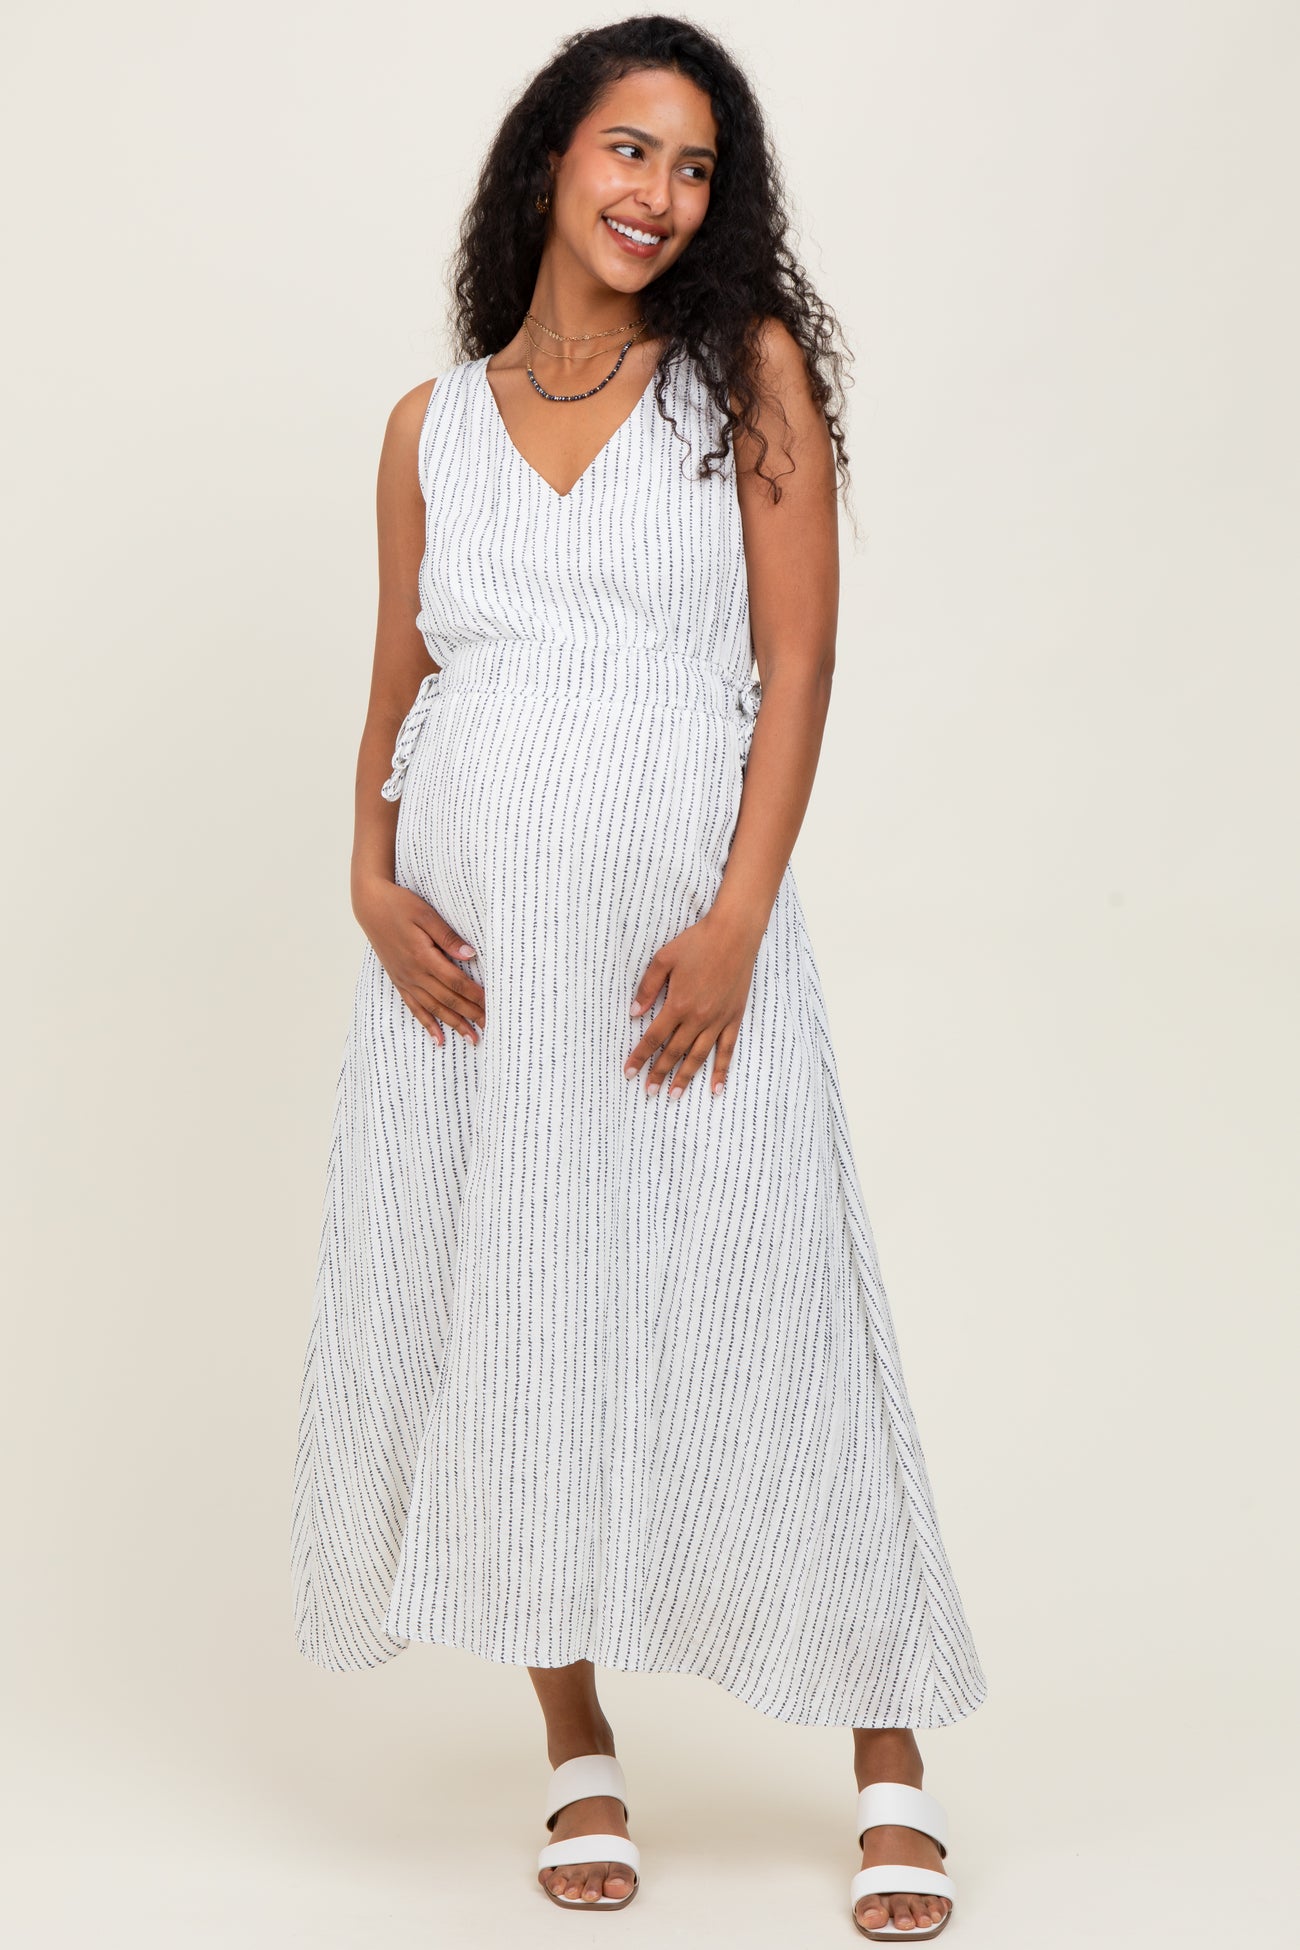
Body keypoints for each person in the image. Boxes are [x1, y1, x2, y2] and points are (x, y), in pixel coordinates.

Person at [290, 16, 986, 1940]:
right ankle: (575, 1739)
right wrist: (367, 869)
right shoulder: (429, 428)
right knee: (519, 1319)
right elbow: (402, 674)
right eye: (628, 148)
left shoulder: (741, 376)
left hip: (685, 959)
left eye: (694, 169)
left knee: (777, 1313)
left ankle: (889, 1753)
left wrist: (743, 913)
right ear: (549, 156)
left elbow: (798, 659)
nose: (658, 194)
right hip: (472, 981)